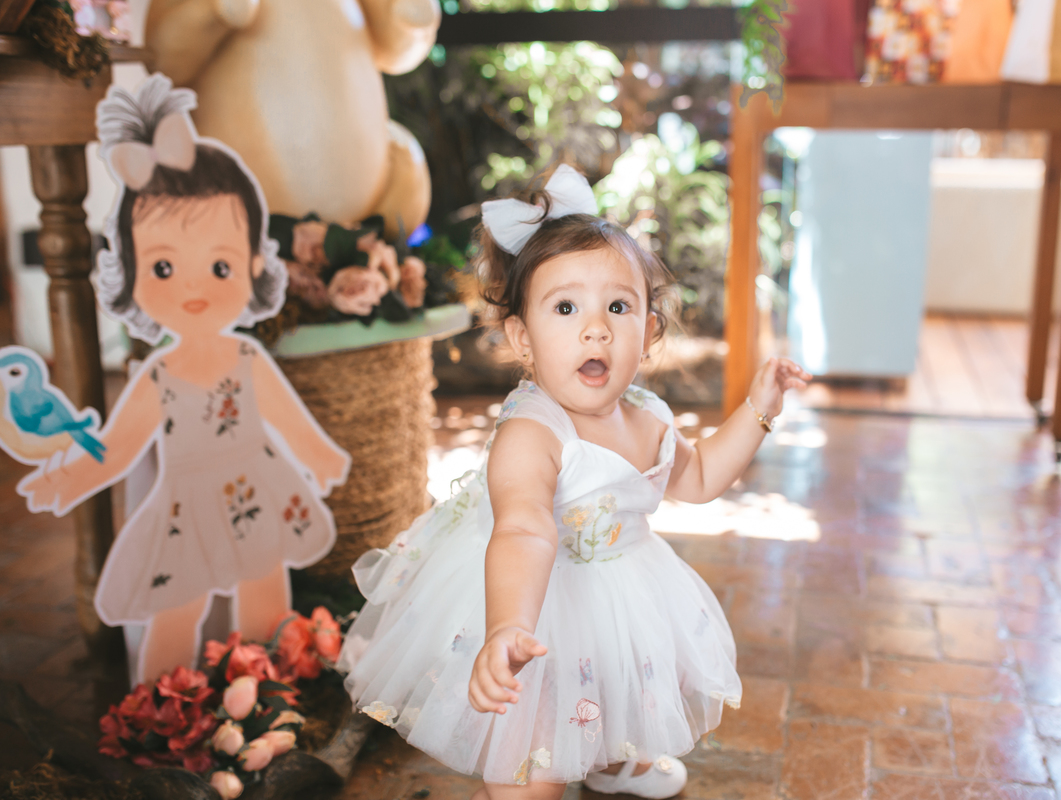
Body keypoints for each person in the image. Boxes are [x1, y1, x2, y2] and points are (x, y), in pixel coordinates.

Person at [338, 164, 809, 800]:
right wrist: (507, 627)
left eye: (618, 306)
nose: (596, 328)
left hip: (618, 589)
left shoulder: (645, 416)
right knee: (535, 757)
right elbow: (524, 530)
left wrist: (759, 410)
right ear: (522, 338)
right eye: (566, 308)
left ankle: (609, 754)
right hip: (531, 599)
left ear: (649, 332)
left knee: (615, 680)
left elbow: (698, 477)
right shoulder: (532, 433)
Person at [20, 75, 350, 683]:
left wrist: (320, 456)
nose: (193, 285)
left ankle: (271, 687)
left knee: (264, 589)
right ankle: (161, 701)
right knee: (177, 605)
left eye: (219, 266)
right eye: (164, 267)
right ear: (130, 271)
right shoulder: (159, 377)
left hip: (254, 490)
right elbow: (117, 448)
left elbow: (287, 419)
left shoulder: (248, 359)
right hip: (185, 505)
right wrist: (69, 478)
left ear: (254, 264)